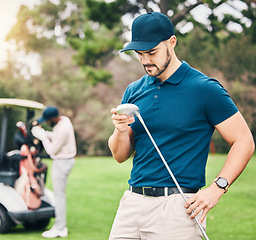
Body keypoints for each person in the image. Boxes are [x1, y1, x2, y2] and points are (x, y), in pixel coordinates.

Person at [108, 12, 255, 240]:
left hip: (177, 208)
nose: (146, 60)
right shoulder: (133, 90)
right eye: (140, 54)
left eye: (152, 52)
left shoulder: (205, 88)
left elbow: (243, 141)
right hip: (132, 203)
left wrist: (217, 188)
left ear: (172, 42)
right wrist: (120, 130)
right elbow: (119, 155)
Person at [31, 106, 77, 238]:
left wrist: (43, 138)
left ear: (53, 118)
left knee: (59, 196)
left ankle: (60, 228)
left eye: (47, 120)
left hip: (62, 162)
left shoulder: (62, 128)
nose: (46, 122)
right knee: (58, 195)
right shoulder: (64, 121)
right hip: (64, 161)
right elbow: (56, 137)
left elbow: (52, 151)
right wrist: (45, 133)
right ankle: (60, 226)